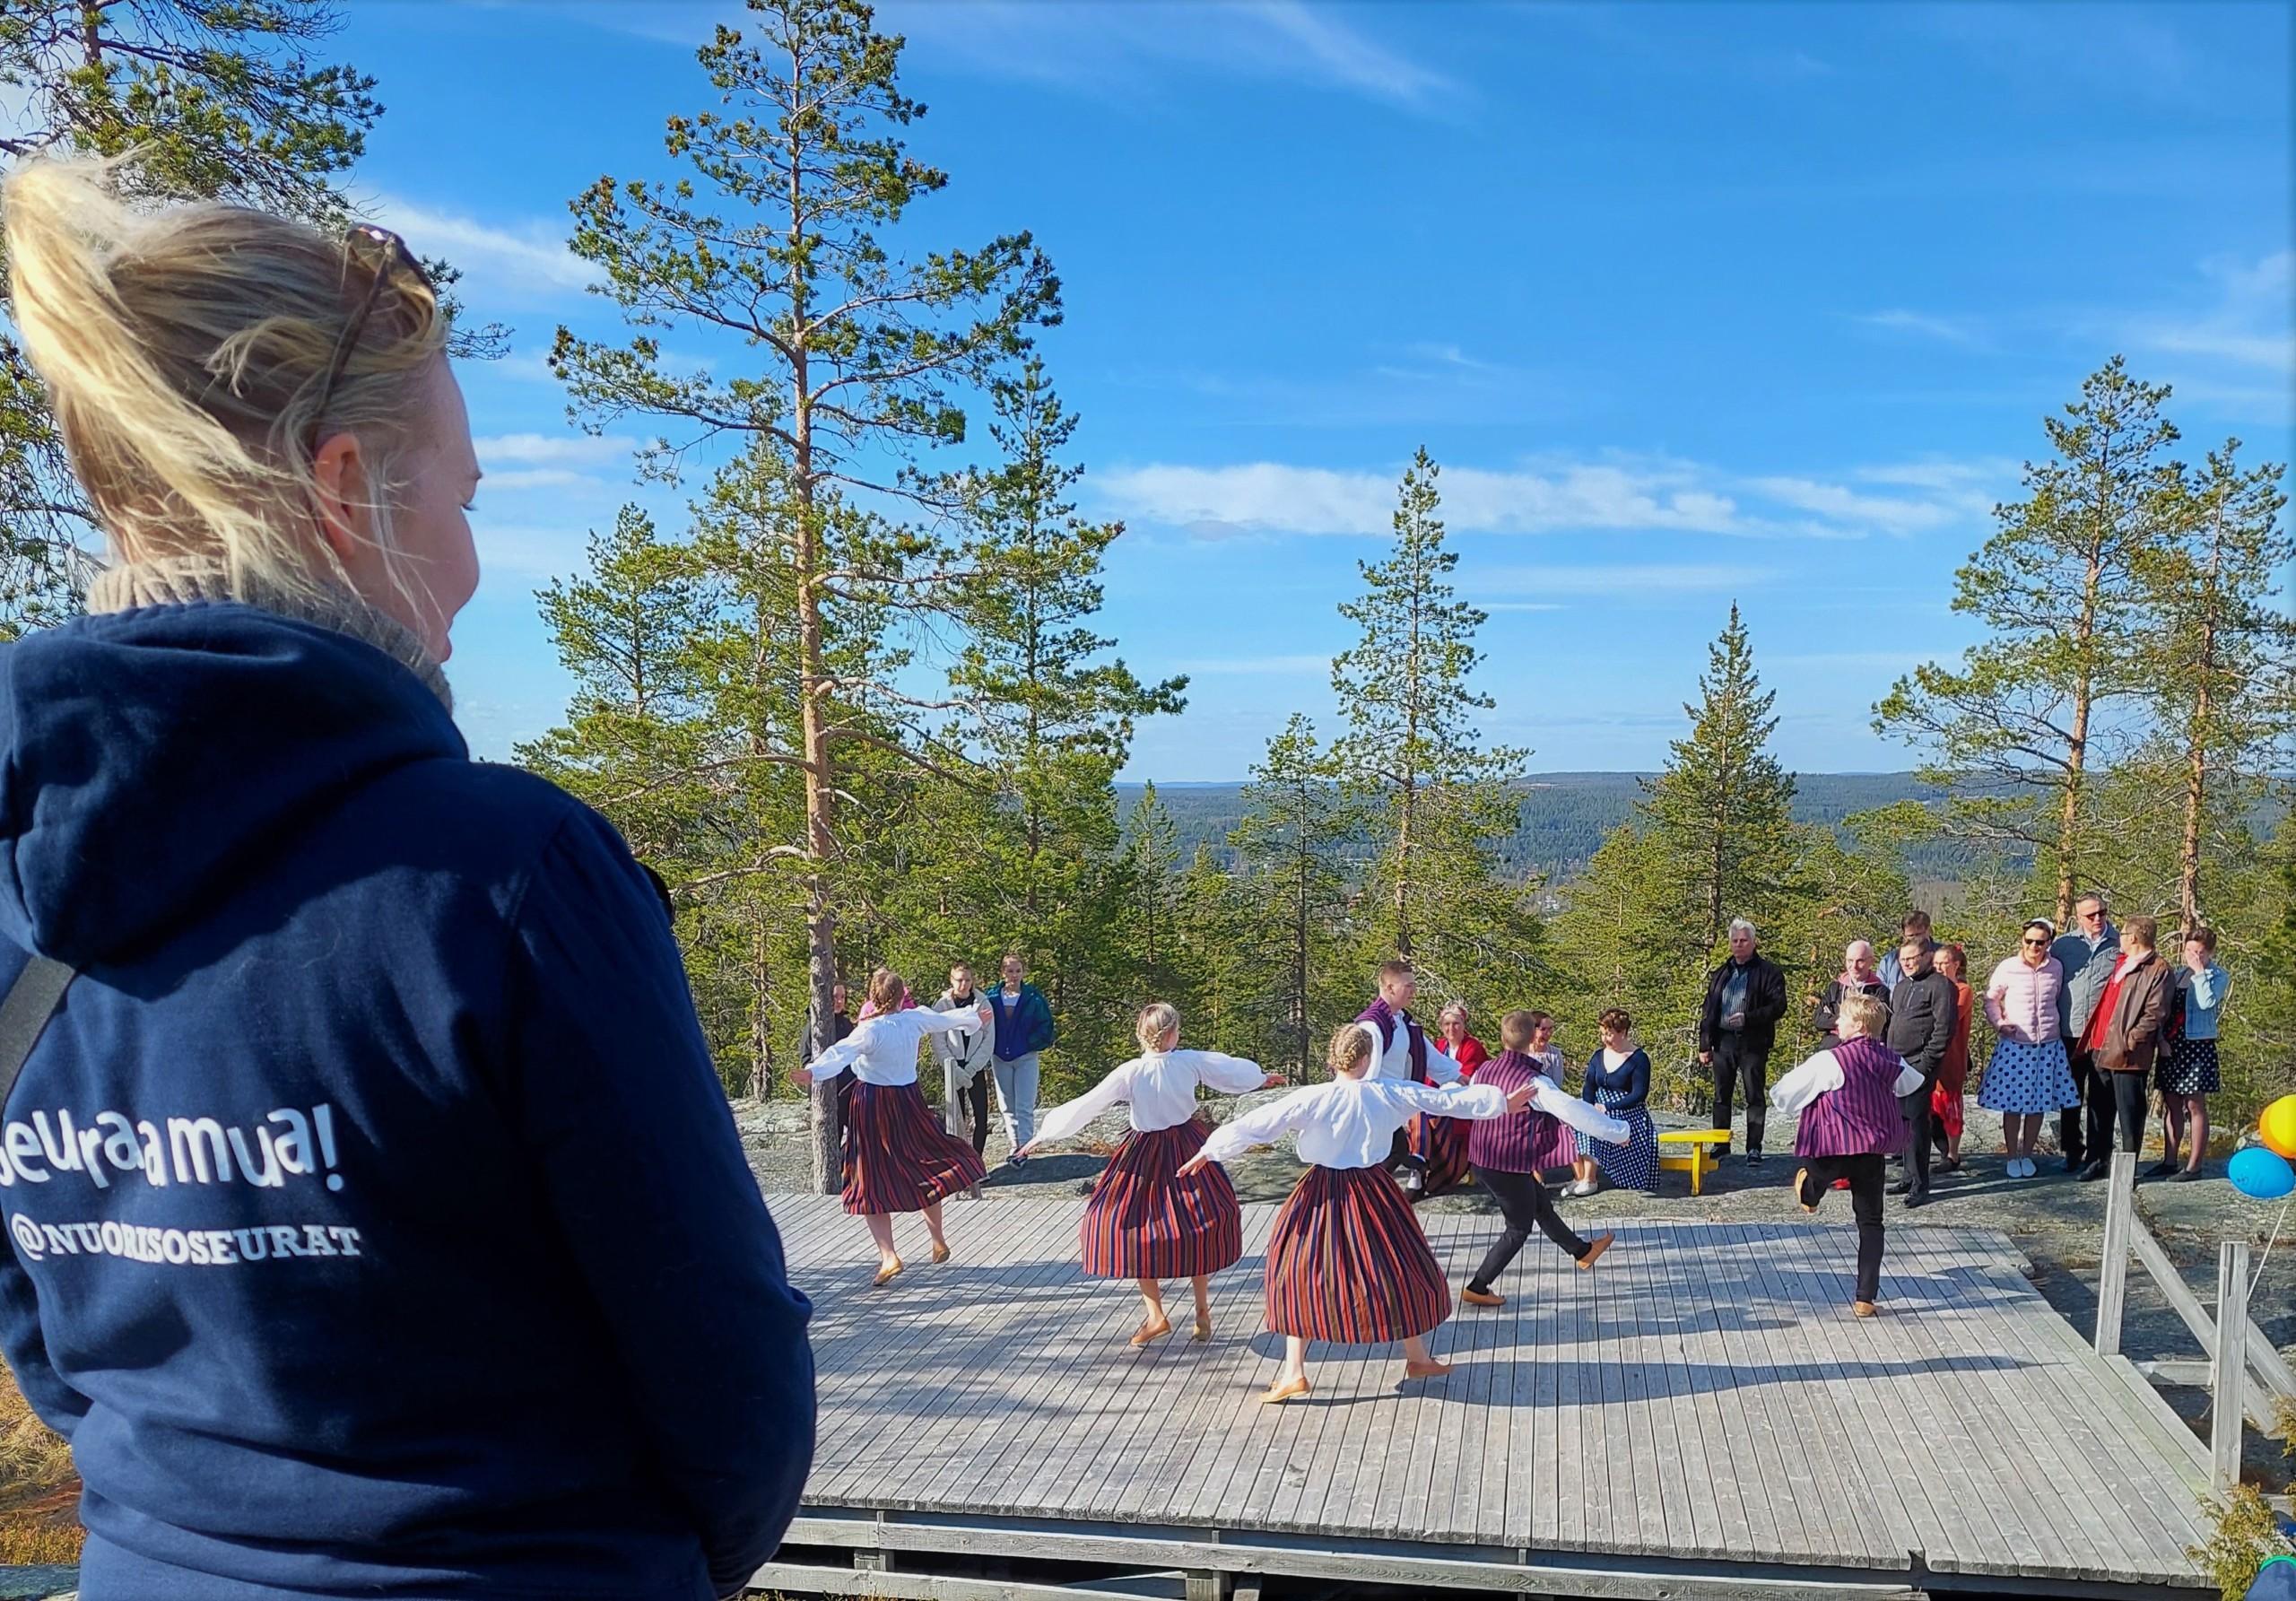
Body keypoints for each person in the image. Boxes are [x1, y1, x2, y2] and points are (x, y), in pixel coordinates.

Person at [0, 159, 815, 1601]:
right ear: (347, 486)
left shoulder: (15, 883)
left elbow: (42, 1329)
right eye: (464, 498)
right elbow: (726, 1363)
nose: (473, 561)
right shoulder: (502, 875)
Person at [1179, 1023, 1531, 1404]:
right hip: (1373, 1193)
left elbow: (1258, 1124)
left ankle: (1302, 1370)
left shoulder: (1313, 1097)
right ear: (1368, 1059)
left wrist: (1210, 1151)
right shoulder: (1389, 1091)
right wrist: (1500, 1104)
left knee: (1299, 1273)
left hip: (1320, 1195)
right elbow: (1447, 1101)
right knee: (1397, 1269)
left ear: (1334, 1060)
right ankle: (1413, 1357)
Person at [1018, 1004, 1281, 1345]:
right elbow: (1228, 1070)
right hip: (1188, 1147)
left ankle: (1156, 1314)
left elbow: (1087, 1104)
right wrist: (1261, 1079)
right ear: (1172, 1034)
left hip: (1144, 1156)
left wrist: (1042, 1135)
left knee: (1132, 1225)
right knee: (1197, 1223)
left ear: (1141, 1035)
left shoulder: (1131, 1072)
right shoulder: (1188, 1061)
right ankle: (1201, 1310)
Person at [796, 968, 993, 1283]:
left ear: (872, 998)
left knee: (869, 1178)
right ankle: (938, 1239)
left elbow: (839, 1053)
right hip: (908, 1100)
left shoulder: (869, 1030)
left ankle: (889, 1257)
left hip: (872, 1104)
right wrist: (973, 1018)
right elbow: (947, 1020)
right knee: (925, 1164)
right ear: (902, 996)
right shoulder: (913, 1019)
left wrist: (814, 1071)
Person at [1773, 995, 1926, 1318]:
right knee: (1871, 1223)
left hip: (1835, 1145)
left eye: (1841, 1018)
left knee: (1813, 1176)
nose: (1836, 1023)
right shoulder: (1891, 1059)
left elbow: (1783, 1095)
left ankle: (1811, 1190)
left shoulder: (1831, 1060)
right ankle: (1865, 1297)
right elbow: (1913, 1083)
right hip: (1873, 1151)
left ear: (1857, 1025)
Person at [1459, 1010, 1623, 1307]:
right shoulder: (1534, 1081)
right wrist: (1617, 1132)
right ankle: (1478, 1286)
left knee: (1541, 1206)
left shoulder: (1483, 1071)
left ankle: (1582, 1252)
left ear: (1502, 1037)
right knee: (1518, 1228)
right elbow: (1571, 1110)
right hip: (1507, 1163)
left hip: (1483, 1157)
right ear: (1533, 1036)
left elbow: (1472, 1106)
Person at [1352, 958, 1468, 1197]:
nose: (1413, 991)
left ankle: (1368, 1197)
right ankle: (1363, 1197)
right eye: (1408, 986)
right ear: (1389, 987)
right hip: (1374, 1110)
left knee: (1397, 1151)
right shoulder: (1372, 1026)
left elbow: (1429, 1056)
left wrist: (1458, 1076)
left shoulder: (1403, 1022)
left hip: (1390, 1110)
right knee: (1389, 1154)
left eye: (1414, 985)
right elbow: (1362, 1074)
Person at [2078, 915, 2174, 1184]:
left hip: (2129, 1054)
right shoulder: (2121, 964)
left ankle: (2128, 1169)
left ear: (2133, 937)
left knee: (2130, 1113)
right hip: (2101, 1047)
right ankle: (2098, 1160)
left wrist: (2132, 1040)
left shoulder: (2158, 969)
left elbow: (2156, 1012)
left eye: (2122, 933)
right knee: (2099, 1109)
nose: (2118, 938)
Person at [1980, 919, 2078, 1179]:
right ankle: (2012, 1156)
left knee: (2038, 1105)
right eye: (2029, 941)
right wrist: (2000, 1023)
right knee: (2013, 1105)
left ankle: (2028, 1154)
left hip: (2047, 1045)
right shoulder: (2008, 967)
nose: (2034, 946)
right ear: (2022, 940)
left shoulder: (2056, 967)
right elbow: (1991, 999)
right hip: (2016, 1045)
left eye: (2040, 942)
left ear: (2049, 943)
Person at [1698, 919, 1788, 1163]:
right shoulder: (1721, 973)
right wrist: (1704, 1044)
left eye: (1744, 941)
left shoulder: (1769, 972)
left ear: (1753, 942)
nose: (1739, 945)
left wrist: (1748, 1018)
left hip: (1753, 1042)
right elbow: (1709, 1010)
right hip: (1723, 1041)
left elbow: (1778, 1006)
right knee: (1720, 1096)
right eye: (1735, 941)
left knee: (1754, 1096)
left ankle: (1754, 1148)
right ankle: (1720, 1144)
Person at [1882, 939, 1956, 1206]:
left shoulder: (1941, 986)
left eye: (1913, 958)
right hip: (1896, 1063)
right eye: (1903, 960)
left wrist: (1925, 1064)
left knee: (1916, 1123)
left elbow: (1943, 1030)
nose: (1908, 963)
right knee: (1901, 1121)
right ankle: (1907, 1177)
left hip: (1920, 1065)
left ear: (1928, 956)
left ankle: (1920, 1185)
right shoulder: (1901, 986)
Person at [2153, 927, 2230, 1181]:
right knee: (2171, 1102)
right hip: (2173, 1045)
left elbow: (2207, 1003)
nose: (2193, 956)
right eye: (2189, 950)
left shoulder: (2217, 976)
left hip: (2197, 1044)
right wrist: (2161, 1039)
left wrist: (2200, 973)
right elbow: (2164, 1010)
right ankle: (2169, 1161)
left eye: (2199, 952)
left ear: (2209, 953)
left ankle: (2194, 1165)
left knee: (2194, 1104)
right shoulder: (2177, 973)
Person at [2053, 893, 2120, 1172]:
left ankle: (2099, 1155)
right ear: (2078, 917)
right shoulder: (2063, 945)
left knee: (2103, 1098)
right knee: (2070, 1095)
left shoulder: (2120, 943)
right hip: (2069, 1032)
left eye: (2101, 912)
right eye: (2090, 915)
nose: (2097, 919)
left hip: (2103, 1035)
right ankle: (2071, 1149)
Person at [1570, 1008, 1658, 1196]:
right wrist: (1589, 1107)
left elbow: (1639, 1094)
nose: (1605, 1039)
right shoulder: (1597, 1056)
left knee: (1633, 1181)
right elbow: (1589, 1087)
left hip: (1627, 1112)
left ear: (1623, 1032)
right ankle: (1587, 1178)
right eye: (1602, 1034)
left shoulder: (1639, 1059)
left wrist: (1609, 1107)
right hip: (1598, 1109)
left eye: (1609, 1034)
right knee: (1585, 1122)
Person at [987, 952, 1057, 1159]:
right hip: (1000, 1057)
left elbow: (1046, 1026)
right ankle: (1014, 1143)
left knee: (1024, 1105)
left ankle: (1025, 1146)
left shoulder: (1034, 998)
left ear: (1023, 972)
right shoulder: (991, 997)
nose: (1014, 975)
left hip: (1026, 1057)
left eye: (1018, 971)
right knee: (1007, 1105)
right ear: (1002, 972)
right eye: (1010, 971)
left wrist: (1029, 1043)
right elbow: (980, 1023)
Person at [933, 962, 998, 1162]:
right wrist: (953, 1068)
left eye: (967, 980)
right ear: (951, 980)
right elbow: (938, 1042)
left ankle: (977, 1161)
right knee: (955, 1118)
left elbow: (989, 1040)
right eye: (959, 980)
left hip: (974, 1067)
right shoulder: (942, 1006)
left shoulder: (983, 1003)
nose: (964, 984)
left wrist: (970, 1069)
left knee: (981, 1115)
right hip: (952, 1068)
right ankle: (958, 1161)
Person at [1929, 944, 1974, 1170]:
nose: (1938, 967)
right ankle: (1939, 1150)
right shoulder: (1930, 987)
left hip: (1951, 1059)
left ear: (1955, 965)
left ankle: (1953, 1155)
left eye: (1943, 963)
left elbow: (1949, 1017)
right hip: (1930, 1058)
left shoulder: (1963, 990)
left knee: (1950, 1108)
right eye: (1935, 963)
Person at [1525, 1011, 1580, 1182]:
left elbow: (1557, 1082)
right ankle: (1538, 1179)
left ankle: (1581, 1177)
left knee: (1567, 1131)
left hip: (1551, 1100)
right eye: (1544, 1029)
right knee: (1531, 1134)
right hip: (1528, 1103)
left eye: (1551, 1029)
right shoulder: (1524, 1052)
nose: (1548, 1034)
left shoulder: (1555, 1053)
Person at [1813, 940, 1890, 1048]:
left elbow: (1875, 1024)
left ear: (1871, 961)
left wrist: (1836, 1019)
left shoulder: (1879, 991)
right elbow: (1819, 1019)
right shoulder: (1835, 988)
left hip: (1863, 1049)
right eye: (1850, 961)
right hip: (1832, 1046)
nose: (1854, 966)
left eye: (1860, 961)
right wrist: (1849, 1020)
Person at [1876, 909, 1939, 990]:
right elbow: (1880, 990)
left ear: (1928, 931)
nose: (1915, 939)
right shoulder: (1889, 961)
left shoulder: (1942, 955)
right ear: (1904, 935)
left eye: (1918, 934)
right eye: (1911, 936)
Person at [1438, 1003, 1490, 1079]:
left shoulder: (1472, 1046)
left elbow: (1465, 1076)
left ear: (1463, 1025)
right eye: (1447, 1024)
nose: (1451, 1028)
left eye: (1456, 1023)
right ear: (1441, 1027)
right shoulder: (1439, 1045)